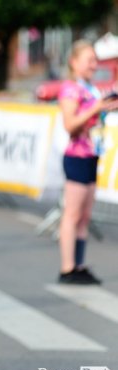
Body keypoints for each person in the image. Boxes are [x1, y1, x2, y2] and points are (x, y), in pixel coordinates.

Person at [57, 40, 118, 285]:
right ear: (74, 62)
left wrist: (106, 107)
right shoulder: (70, 89)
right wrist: (95, 109)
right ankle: (67, 267)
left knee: (84, 216)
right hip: (77, 156)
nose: (94, 65)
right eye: (89, 60)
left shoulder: (90, 87)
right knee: (72, 215)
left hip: (92, 154)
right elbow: (70, 124)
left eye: (95, 60)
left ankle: (78, 264)